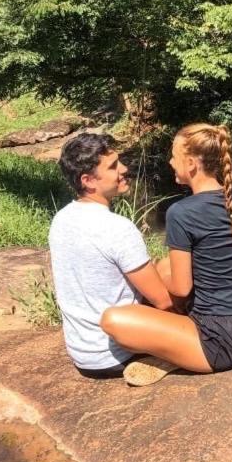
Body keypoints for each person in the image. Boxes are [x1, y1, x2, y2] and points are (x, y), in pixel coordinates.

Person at [99, 122, 232, 384]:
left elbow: (181, 289)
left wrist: (164, 305)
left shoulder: (181, 212)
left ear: (190, 164)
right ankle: (178, 342)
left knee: (113, 321)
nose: (169, 162)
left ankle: (176, 355)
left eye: (174, 156)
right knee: (163, 266)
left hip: (222, 340)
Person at [49, 132, 174, 378]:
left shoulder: (61, 218)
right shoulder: (117, 227)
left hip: (83, 353)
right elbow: (164, 302)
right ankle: (164, 362)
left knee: (165, 266)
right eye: (114, 166)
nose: (124, 169)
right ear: (88, 181)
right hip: (119, 353)